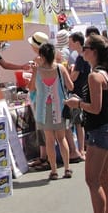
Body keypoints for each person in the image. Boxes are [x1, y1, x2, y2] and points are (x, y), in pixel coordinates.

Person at [65, 34, 108, 213]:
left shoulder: (95, 76)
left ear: (94, 51)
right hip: (105, 127)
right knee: (103, 177)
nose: (83, 51)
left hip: (100, 130)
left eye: (86, 48)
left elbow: (96, 108)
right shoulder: (102, 73)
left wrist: (77, 103)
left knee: (92, 179)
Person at [28, 34, 73, 180]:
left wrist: (34, 72)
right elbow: (70, 86)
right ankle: (67, 168)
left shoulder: (38, 71)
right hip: (59, 108)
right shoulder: (60, 68)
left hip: (43, 109)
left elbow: (31, 89)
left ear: (41, 55)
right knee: (62, 138)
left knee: (49, 140)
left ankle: (53, 170)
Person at [65, 32, 90, 162]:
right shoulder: (85, 56)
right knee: (80, 124)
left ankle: (80, 150)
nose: (69, 44)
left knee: (77, 123)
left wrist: (67, 73)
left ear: (76, 42)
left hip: (78, 93)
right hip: (84, 91)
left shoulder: (80, 58)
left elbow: (74, 77)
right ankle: (82, 149)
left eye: (70, 42)